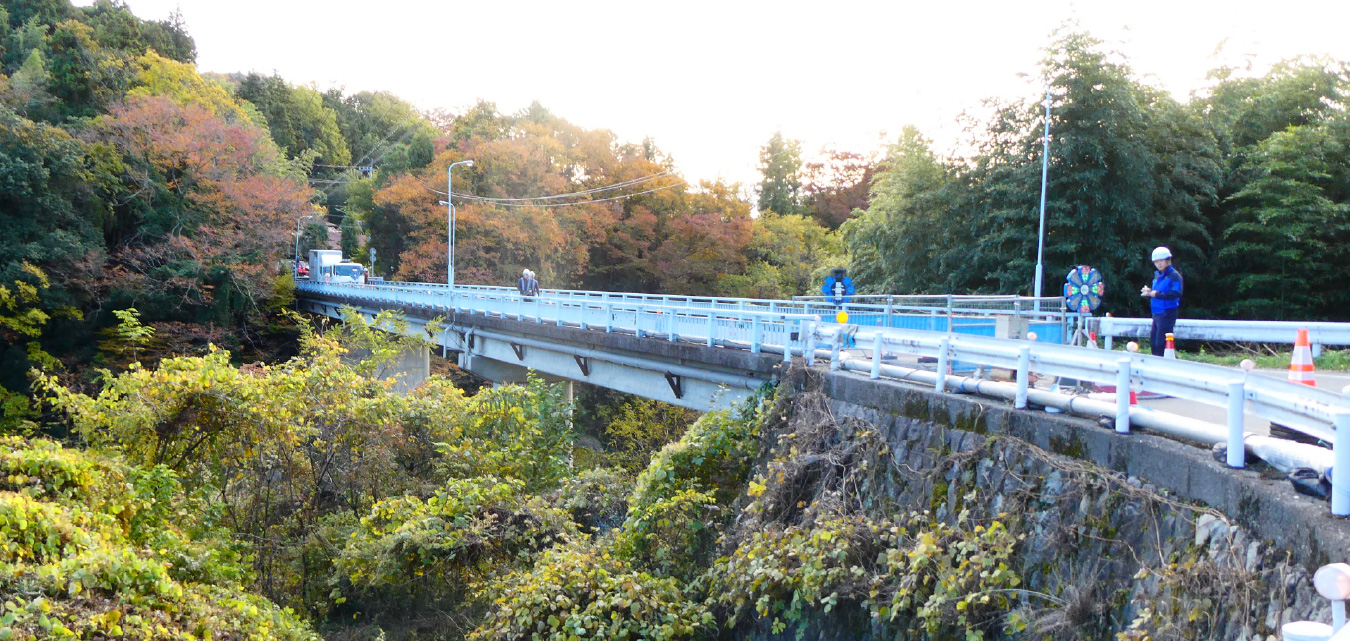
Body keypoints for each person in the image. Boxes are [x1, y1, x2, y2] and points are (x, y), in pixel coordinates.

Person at [1140, 246, 1183, 357]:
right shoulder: (1158, 276)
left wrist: (1156, 294)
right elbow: (1158, 291)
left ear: (1167, 260)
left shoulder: (1174, 276)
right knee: (1155, 344)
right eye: (1156, 262)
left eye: (1161, 261)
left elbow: (1176, 293)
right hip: (1157, 312)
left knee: (1161, 344)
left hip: (1167, 312)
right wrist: (1150, 291)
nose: (1159, 264)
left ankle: (1171, 366)